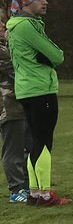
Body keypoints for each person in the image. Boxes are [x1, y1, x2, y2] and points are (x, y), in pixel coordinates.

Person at [6, 0, 69, 205]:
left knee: (35, 141)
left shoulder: (16, 26)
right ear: (25, 3)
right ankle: (44, 194)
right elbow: (57, 55)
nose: (45, 2)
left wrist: (46, 57)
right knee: (43, 142)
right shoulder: (26, 26)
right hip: (40, 88)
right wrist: (49, 58)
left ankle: (34, 193)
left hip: (27, 89)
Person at [0, 24, 31, 203]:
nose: (3, 26)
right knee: (14, 150)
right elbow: (18, 70)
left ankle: (26, 186)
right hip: (9, 105)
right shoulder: (3, 51)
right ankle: (16, 189)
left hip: (19, 104)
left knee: (27, 147)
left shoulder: (6, 47)